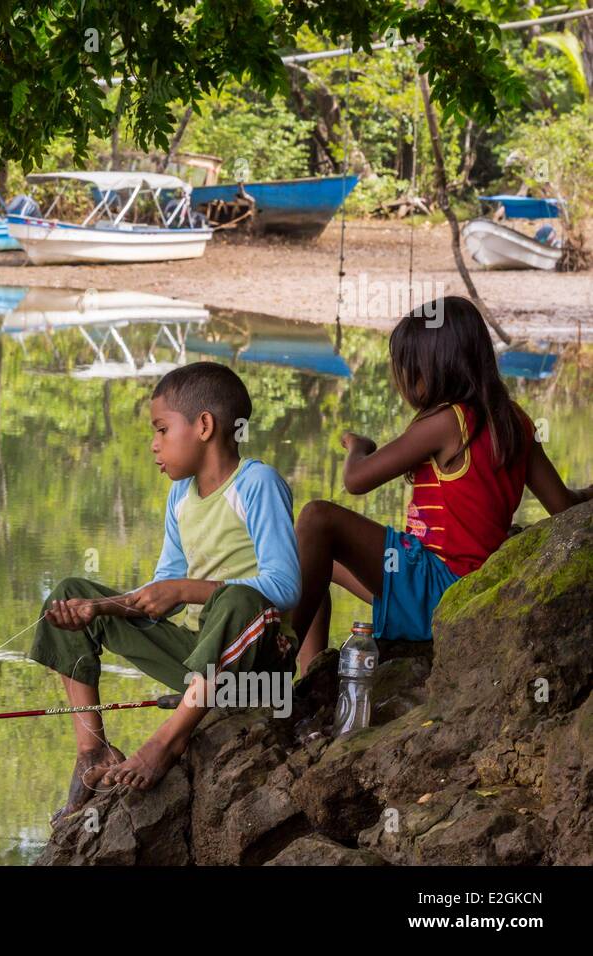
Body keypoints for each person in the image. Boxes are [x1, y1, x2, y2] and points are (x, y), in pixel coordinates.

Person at [29, 362, 301, 823]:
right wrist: (98, 607)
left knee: (236, 601)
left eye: (161, 429)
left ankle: (167, 742)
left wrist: (186, 590)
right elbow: (161, 593)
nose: (154, 445)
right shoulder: (180, 497)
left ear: (204, 426)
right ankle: (92, 750)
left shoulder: (257, 484)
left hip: (259, 666)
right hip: (200, 660)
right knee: (71, 589)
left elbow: (285, 588)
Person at [292, 296, 591, 673]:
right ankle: (312, 672)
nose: (404, 382)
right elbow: (564, 505)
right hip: (464, 584)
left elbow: (355, 480)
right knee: (316, 561)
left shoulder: (447, 421)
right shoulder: (515, 419)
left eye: (408, 370)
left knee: (317, 519)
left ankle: (281, 656)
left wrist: (359, 447)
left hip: (440, 586)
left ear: (434, 369)